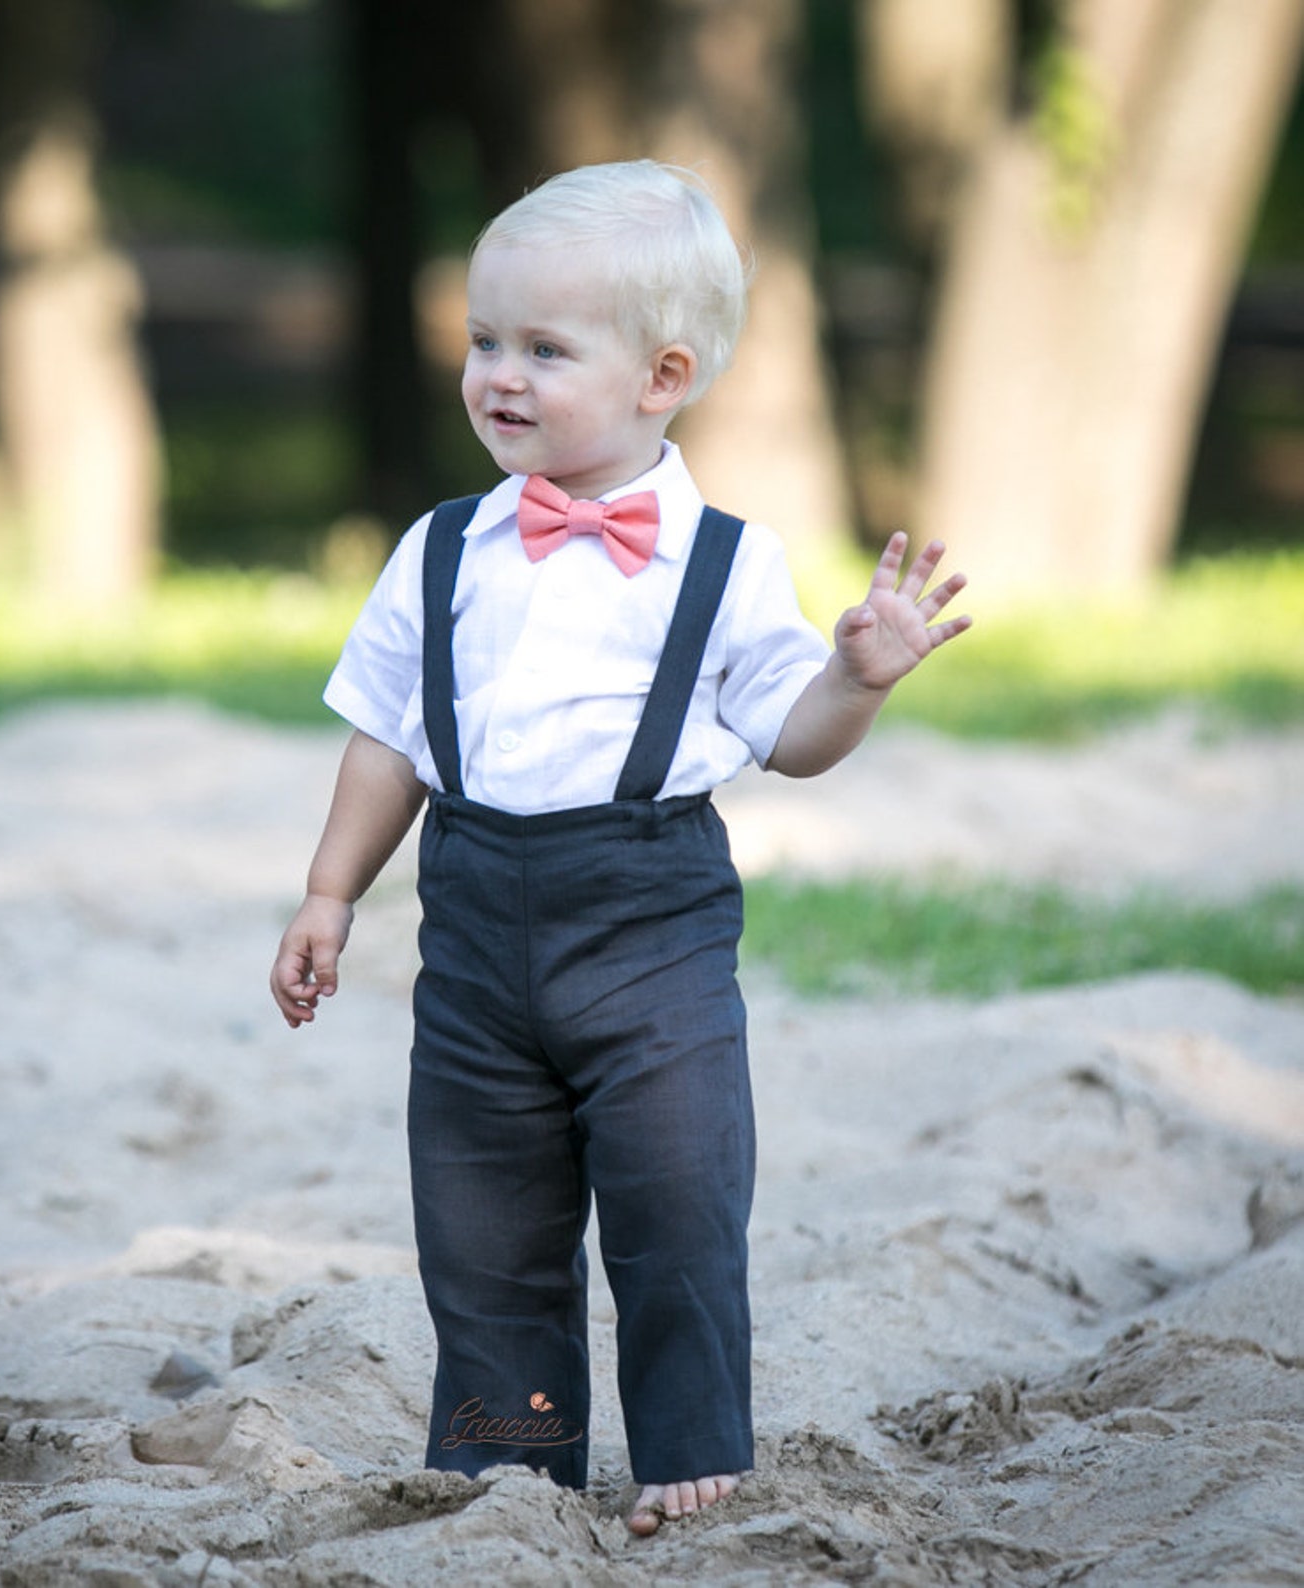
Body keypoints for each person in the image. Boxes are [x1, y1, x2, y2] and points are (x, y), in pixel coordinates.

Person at [269, 159, 970, 1538]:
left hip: (649, 931)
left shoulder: (723, 561)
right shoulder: (440, 551)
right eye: (482, 341)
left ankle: (692, 1443)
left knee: (678, 1196)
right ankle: (506, 1454)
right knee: (481, 1221)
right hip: (472, 932)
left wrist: (861, 681)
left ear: (663, 376)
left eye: (543, 348)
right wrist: (328, 892)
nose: (498, 376)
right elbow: (389, 738)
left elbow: (790, 733)